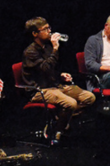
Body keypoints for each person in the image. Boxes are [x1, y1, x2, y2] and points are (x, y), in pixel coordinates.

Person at [22, 17, 95, 146]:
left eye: (49, 28)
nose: (49, 31)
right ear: (35, 34)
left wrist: (61, 75)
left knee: (89, 97)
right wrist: (55, 49)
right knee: (70, 103)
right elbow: (45, 68)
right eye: (45, 29)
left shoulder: (47, 47)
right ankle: (58, 131)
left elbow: (50, 70)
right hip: (39, 90)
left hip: (55, 86)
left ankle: (60, 120)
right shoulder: (30, 52)